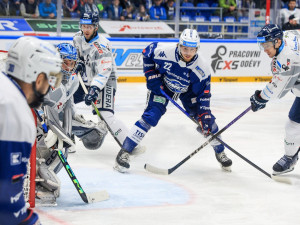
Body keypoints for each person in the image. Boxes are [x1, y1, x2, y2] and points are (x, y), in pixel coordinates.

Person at [114, 29, 233, 173]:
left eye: (192, 49)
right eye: (184, 48)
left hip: (188, 92)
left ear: (197, 49)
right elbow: (147, 52)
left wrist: (204, 114)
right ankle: (125, 151)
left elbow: (204, 96)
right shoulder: (165, 51)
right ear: (178, 45)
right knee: (151, 116)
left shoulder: (202, 68)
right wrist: (151, 75)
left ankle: (220, 152)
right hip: (164, 86)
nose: (188, 53)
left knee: (208, 123)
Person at [35, 43, 108, 205]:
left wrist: (77, 118)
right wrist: (50, 130)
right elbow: (42, 107)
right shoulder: (49, 80)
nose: (68, 67)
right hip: (34, 125)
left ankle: (41, 182)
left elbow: (65, 105)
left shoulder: (71, 81)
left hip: (48, 124)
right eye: (65, 62)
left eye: (72, 63)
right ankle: (38, 184)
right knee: (48, 153)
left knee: (62, 152)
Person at [0, 37, 62, 225]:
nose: (48, 88)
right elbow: (7, 206)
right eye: (49, 79)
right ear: (39, 77)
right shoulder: (14, 108)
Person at [73, 12, 144, 160]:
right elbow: (78, 55)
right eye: (84, 26)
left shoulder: (102, 46)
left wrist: (93, 90)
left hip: (105, 82)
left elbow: (104, 72)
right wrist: (78, 62)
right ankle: (67, 139)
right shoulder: (77, 38)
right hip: (85, 80)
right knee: (65, 101)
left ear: (96, 27)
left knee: (106, 115)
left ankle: (131, 145)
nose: (86, 30)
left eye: (89, 27)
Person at [250, 24, 300, 175]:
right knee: (293, 122)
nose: (264, 49)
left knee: (293, 123)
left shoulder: (288, 57)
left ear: (277, 42)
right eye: (262, 45)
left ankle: (290, 157)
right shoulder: (287, 35)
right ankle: (290, 156)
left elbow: (278, 89)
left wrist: (260, 98)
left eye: (267, 45)